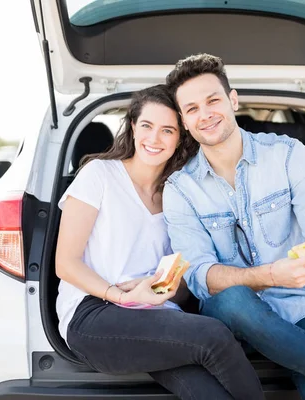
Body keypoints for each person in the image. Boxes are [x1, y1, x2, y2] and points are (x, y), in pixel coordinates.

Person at [162, 54, 305, 400]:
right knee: (234, 299)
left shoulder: (290, 156)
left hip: (301, 306)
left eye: (213, 100)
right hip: (228, 319)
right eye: (192, 109)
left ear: (233, 100)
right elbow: (200, 275)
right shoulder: (180, 190)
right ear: (185, 122)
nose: (205, 114)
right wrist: (272, 275)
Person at [55, 84, 264, 400]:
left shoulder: (179, 195)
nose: (154, 139)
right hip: (92, 313)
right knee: (215, 337)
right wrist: (120, 296)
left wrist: (162, 288)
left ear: (180, 137)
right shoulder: (99, 175)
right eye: (147, 126)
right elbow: (65, 263)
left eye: (167, 130)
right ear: (133, 127)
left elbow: (179, 286)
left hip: (152, 313)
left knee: (207, 391)